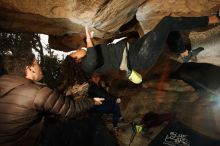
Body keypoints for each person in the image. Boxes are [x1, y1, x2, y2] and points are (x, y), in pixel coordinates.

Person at [69, 13, 220, 84]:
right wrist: (88, 39)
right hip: (138, 58)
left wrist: (92, 41)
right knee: (167, 22)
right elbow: (93, 58)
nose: (76, 49)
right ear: (76, 61)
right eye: (74, 52)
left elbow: (96, 55)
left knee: (167, 27)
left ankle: (184, 53)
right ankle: (213, 19)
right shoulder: (86, 66)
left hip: (134, 49)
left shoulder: (88, 61)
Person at [0, 53, 107, 146]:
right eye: (37, 63)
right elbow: (71, 109)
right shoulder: (38, 92)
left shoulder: (4, 83)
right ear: (30, 69)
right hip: (25, 142)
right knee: (92, 123)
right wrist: (92, 101)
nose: (40, 67)